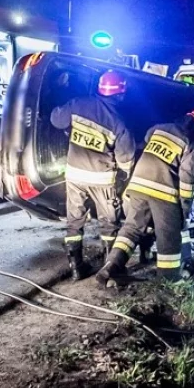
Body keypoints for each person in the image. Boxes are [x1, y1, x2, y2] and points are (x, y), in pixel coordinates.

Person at [96, 106, 194, 286]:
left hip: (137, 184)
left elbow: (146, 141)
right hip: (162, 192)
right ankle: (167, 281)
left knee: (131, 229)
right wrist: (183, 213)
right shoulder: (192, 144)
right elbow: (187, 183)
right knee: (169, 237)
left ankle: (110, 266)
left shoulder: (160, 128)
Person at [50, 70, 136, 280]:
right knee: (109, 223)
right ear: (120, 94)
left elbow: (55, 119)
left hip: (74, 176)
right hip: (102, 180)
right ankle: (110, 269)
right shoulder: (118, 122)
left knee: (74, 221)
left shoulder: (77, 104)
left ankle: (76, 268)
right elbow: (126, 160)